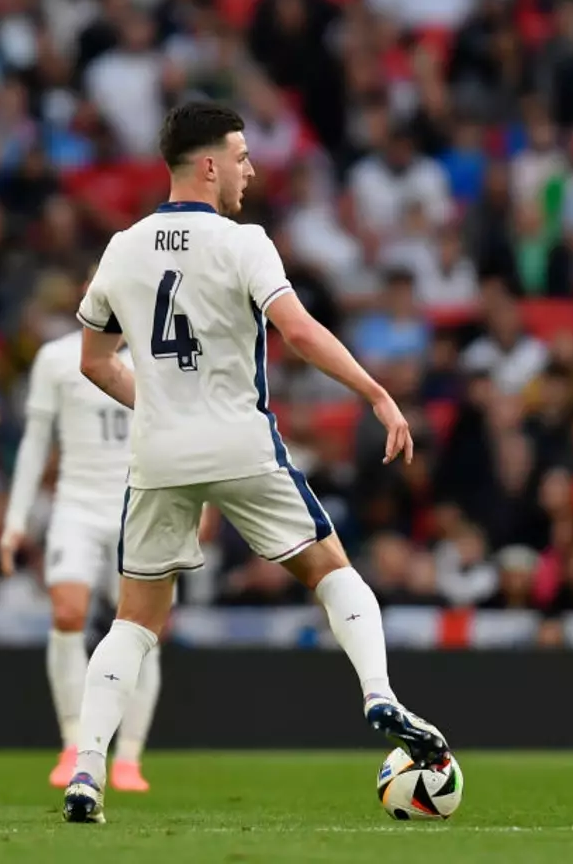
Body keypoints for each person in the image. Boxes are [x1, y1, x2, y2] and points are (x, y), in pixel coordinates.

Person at [62, 101, 448, 824]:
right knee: (331, 569)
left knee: (134, 621)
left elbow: (93, 361)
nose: (250, 170)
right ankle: (379, 692)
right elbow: (296, 330)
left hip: (158, 454)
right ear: (209, 166)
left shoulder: (122, 247)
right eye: (241, 157)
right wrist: (375, 394)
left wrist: (160, 404)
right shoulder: (245, 243)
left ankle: (86, 773)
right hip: (239, 443)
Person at [0, 277, 159, 793]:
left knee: (141, 628)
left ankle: (129, 755)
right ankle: (73, 742)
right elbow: (34, 444)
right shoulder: (56, 358)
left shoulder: (157, 355)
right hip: (77, 507)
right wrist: (15, 521)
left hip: (140, 506)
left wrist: (196, 504)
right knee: (67, 614)